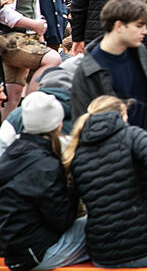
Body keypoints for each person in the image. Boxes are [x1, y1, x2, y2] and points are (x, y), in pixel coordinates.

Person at [64, 96, 147, 267]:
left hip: (103, 255)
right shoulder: (131, 135)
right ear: (122, 115)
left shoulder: (77, 150)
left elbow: (72, 200)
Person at [0, 92, 89, 270]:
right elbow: (62, 220)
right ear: (58, 125)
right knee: (99, 224)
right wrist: (74, 187)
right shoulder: (46, 166)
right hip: (35, 256)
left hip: (12, 249)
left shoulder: (10, 154)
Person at [71, 0, 147, 137]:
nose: (145, 31)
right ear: (119, 26)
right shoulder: (87, 71)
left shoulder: (140, 53)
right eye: (139, 26)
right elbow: (83, 123)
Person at [0, 0, 61, 119]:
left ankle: (6, 134)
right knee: (53, 58)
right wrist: (33, 24)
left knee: (13, 94)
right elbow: (5, 14)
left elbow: (35, 10)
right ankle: (32, 106)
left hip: (27, 38)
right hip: (10, 39)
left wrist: (38, 29)